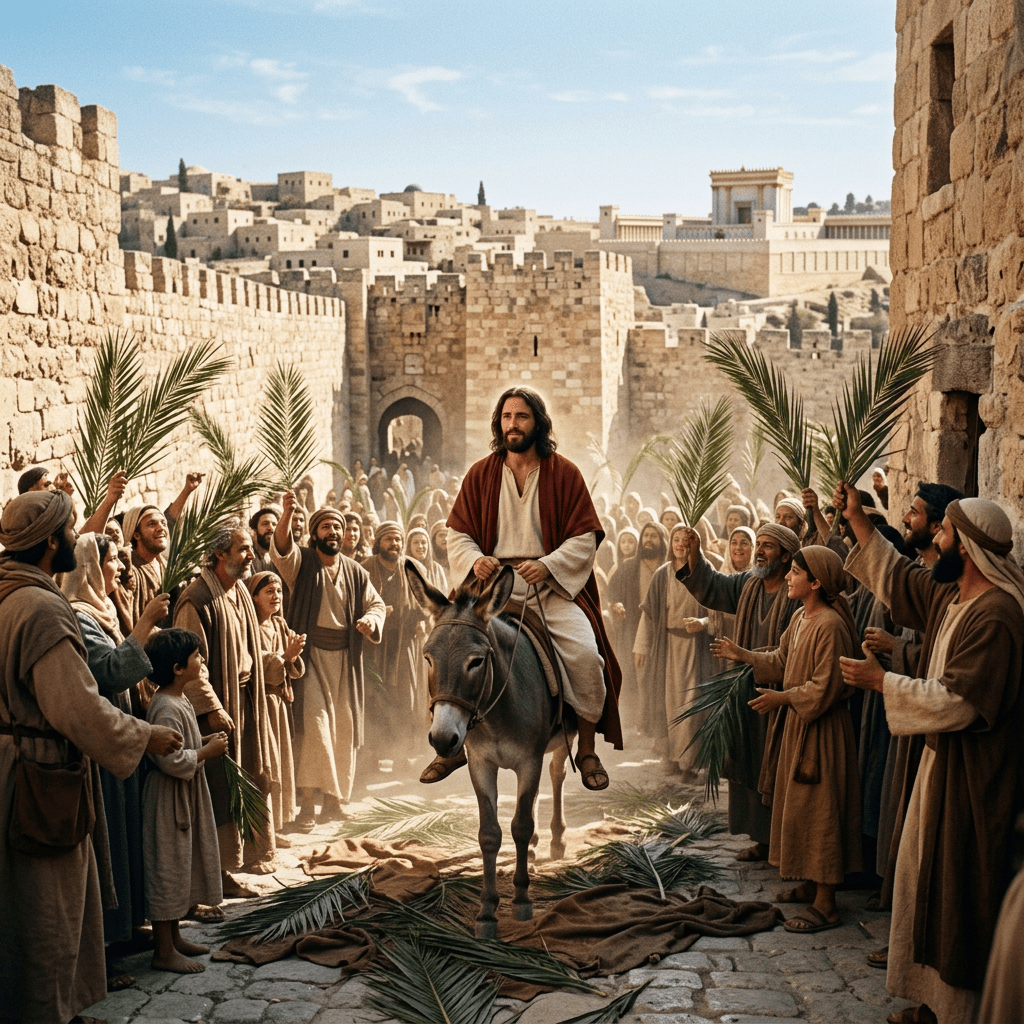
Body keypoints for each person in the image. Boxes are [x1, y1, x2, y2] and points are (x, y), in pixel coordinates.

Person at [835, 484, 1024, 1024]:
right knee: (927, 882)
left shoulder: (997, 617)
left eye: (942, 531)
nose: (934, 538)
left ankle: (959, 1009)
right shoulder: (955, 596)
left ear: (965, 545)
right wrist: (857, 521)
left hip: (974, 782)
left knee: (960, 890)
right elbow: (899, 577)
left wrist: (884, 682)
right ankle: (931, 1002)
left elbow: (960, 701)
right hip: (941, 769)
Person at [0, 490, 181, 1023]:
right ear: (51, 541)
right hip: (38, 775)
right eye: (69, 531)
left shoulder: (8, 594)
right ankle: (50, 1012)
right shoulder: (39, 609)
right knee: (47, 907)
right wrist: (143, 735)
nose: (76, 540)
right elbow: (76, 707)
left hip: (12, 766)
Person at [425, 386, 622, 789]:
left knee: (586, 655)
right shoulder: (481, 473)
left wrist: (548, 565)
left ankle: (585, 750)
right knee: (445, 651)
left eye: (522, 417)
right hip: (489, 595)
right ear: (499, 423)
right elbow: (457, 533)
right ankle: (452, 748)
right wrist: (474, 560)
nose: (513, 424)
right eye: (507, 417)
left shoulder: (564, 473)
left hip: (549, 591)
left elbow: (585, 537)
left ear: (538, 423)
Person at [715, 546, 862, 932]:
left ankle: (827, 904)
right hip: (799, 728)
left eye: (797, 573)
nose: (790, 577)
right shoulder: (800, 618)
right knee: (800, 810)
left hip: (823, 734)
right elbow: (781, 661)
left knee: (821, 812)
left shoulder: (829, 625)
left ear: (816, 583)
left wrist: (782, 698)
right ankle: (811, 887)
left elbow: (824, 687)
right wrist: (742, 654)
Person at [60, 532, 169, 989]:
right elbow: (106, 672)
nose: (121, 568)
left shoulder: (101, 611)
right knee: (107, 848)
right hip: (102, 746)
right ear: (89, 567)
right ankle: (100, 952)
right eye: (112, 561)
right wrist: (142, 625)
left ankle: (124, 933)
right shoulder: (79, 616)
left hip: (122, 741)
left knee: (124, 839)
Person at [676, 522, 802, 862]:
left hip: (783, 693)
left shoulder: (797, 594)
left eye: (768, 546)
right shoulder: (748, 584)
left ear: (787, 556)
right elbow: (714, 585)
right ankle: (762, 839)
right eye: (758, 544)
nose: (759, 551)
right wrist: (695, 553)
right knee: (748, 758)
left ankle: (782, 842)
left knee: (776, 762)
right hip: (745, 687)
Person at [272, 497, 386, 827]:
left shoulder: (355, 570)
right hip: (311, 660)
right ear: (314, 533)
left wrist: (370, 621)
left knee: (342, 732)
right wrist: (288, 513)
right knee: (315, 730)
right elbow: (281, 549)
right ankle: (307, 804)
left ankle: (334, 803)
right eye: (326, 526)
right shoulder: (302, 563)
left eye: (338, 527)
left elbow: (375, 605)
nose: (333, 531)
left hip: (346, 662)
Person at [174, 525, 277, 885]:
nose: (250, 555)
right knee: (222, 784)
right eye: (243, 549)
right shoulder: (197, 598)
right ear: (220, 554)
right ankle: (219, 869)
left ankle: (252, 853)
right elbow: (191, 662)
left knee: (252, 771)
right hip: (219, 705)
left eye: (250, 549)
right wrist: (213, 707)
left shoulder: (240, 594)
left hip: (247, 698)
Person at [142, 629, 226, 974]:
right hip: (168, 799)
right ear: (178, 668)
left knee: (181, 867)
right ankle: (163, 951)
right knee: (168, 869)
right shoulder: (164, 706)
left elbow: (182, 742)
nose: (201, 661)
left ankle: (175, 938)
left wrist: (203, 739)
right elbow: (169, 760)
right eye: (196, 656)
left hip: (185, 795)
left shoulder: (180, 699)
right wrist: (206, 751)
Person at [634, 525, 713, 772]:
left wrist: (702, 624)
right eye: (676, 539)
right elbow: (648, 616)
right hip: (667, 648)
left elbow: (717, 611)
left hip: (695, 648)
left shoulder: (705, 573)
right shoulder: (662, 574)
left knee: (692, 703)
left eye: (686, 541)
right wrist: (642, 647)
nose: (680, 544)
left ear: (694, 545)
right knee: (668, 703)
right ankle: (670, 757)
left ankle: (691, 760)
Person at [360, 521, 427, 764]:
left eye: (397, 539)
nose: (394, 544)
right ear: (379, 542)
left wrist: (416, 612)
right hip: (373, 646)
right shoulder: (365, 568)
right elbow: (356, 604)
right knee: (375, 698)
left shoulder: (413, 568)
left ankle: (401, 756)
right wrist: (377, 613)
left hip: (404, 646)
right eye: (388, 539)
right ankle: (373, 756)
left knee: (404, 699)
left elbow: (425, 602)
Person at [247, 572, 304, 832]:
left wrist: (293, 655)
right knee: (268, 762)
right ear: (255, 596)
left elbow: (292, 665)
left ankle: (279, 823)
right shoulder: (248, 627)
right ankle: (267, 827)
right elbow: (253, 662)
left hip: (280, 703)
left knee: (281, 761)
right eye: (269, 591)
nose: (276, 596)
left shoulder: (280, 625)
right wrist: (284, 655)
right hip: (262, 702)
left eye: (279, 591)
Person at [607, 522, 668, 738]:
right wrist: (615, 605)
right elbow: (611, 591)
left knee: (660, 677)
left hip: (664, 632)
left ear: (662, 540)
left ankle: (657, 724)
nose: (649, 540)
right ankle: (636, 723)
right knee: (634, 676)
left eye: (654, 536)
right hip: (632, 629)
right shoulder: (629, 566)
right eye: (646, 536)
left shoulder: (669, 566)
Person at [249, 506, 281, 575]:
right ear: (254, 530)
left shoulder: (279, 557)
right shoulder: (248, 558)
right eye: (265, 524)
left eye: (274, 524)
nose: (270, 528)